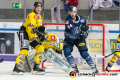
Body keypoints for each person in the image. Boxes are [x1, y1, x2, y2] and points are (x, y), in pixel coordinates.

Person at [63, 6, 99, 74]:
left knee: (84, 53)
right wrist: (81, 29)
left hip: (79, 38)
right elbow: (73, 32)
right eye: (71, 12)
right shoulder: (68, 20)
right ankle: (73, 67)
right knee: (67, 52)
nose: (72, 14)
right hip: (69, 39)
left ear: (76, 12)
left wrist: (85, 33)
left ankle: (94, 68)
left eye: (74, 12)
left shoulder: (82, 19)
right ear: (69, 12)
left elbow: (86, 32)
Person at [13, 2, 45, 74]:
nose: (39, 9)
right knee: (25, 50)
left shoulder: (40, 17)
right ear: (34, 8)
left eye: (40, 8)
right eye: (37, 7)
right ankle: (17, 67)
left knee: (40, 47)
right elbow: (30, 29)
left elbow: (38, 30)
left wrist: (41, 35)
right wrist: (33, 37)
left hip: (31, 35)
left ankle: (36, 67)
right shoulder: (31, 15)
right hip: (24, 33)